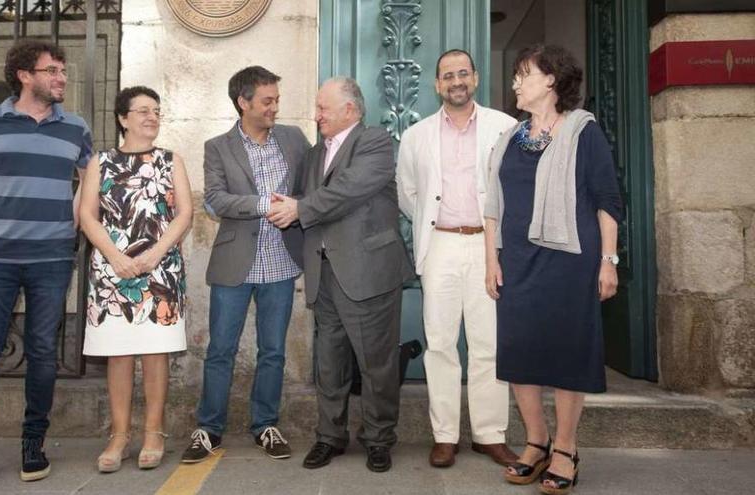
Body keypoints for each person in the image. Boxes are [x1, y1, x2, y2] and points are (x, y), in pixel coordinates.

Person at [0, 39, 92, 493]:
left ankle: (33, 443)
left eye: (63, 71)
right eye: (52, 71)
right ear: (25, 75)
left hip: (51, 260)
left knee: (43, 354)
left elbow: (91, 179)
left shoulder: (76, 127)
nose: (61, 78)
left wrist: (70, 220)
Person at [483, 44, 622, 495]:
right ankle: (536, 441)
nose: (516, 83)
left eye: (524, 74)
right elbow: (492, 209)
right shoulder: (509, 138)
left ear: (550, 81)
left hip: (570, 262)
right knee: (520, 353)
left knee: (565, 355)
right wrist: (491, 260)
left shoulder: (584, 132)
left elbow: (607, 201)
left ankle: (565, 447)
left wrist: (608, 260)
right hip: (518, 262)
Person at [268, 77, 414, 473]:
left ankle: (379, 438)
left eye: (323, 109)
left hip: (368, 272)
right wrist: (291, 209)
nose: (316, 116)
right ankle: (329, 436)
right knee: (329, 362)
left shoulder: (376, 141)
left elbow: (349, 190)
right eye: (316, 109)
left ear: (350, 110)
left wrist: (299, 209)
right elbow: (304, 200)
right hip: (324, 272)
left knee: (376, 362)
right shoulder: (315, 154)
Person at [180, 66, 310, 463]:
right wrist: (263, 204)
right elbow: (216, 200)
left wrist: (300, 209)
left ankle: (266, 425)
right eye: (267, 101)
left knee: (273, 351)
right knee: (221, 349)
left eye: (276, 100)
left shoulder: (294, 139)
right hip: (235, 263)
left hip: (282, 263)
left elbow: (310, 189)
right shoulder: (217, 147)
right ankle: (209, 429)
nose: (275, 107)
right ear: (244, 102)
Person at [396, 49, 518, 469]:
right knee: (441, 343)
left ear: (476, 78)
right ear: (436, 84)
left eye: (462, 73)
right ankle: (445, 435)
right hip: (441, 245)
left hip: (488, 246)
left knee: (488, 343)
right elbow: (408, 194)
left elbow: (516, 188)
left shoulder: (505, 127)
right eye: (447, 75)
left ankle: (489, 435)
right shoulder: (417, 136)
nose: (456, 81)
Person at [80, 86, 192, 472]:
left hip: (160, 270)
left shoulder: (171, 160)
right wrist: (115, 257)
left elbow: (184, 214)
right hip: (113, 273)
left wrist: (155, 254)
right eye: (143, 110)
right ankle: (119, 435)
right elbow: (87, 216)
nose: (152, 117)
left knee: (155, 352)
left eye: (157, 110)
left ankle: (153, 433)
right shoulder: (101, 162)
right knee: (120, 353)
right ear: (122, 118)